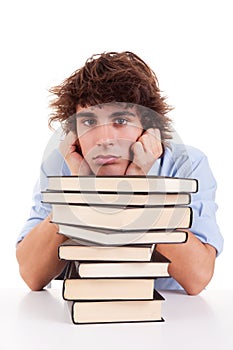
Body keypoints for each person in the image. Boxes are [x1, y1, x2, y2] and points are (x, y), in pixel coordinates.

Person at [16, 51, 223, 294]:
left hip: (169, 311)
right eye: (89, 122)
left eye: (121, 120)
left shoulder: (186, 163)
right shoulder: (63, 164)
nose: (104, 139)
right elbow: (32, 275)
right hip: (84, 309)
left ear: (148, 128)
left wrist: (137, 189)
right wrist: (79, 192)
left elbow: (197, 278)